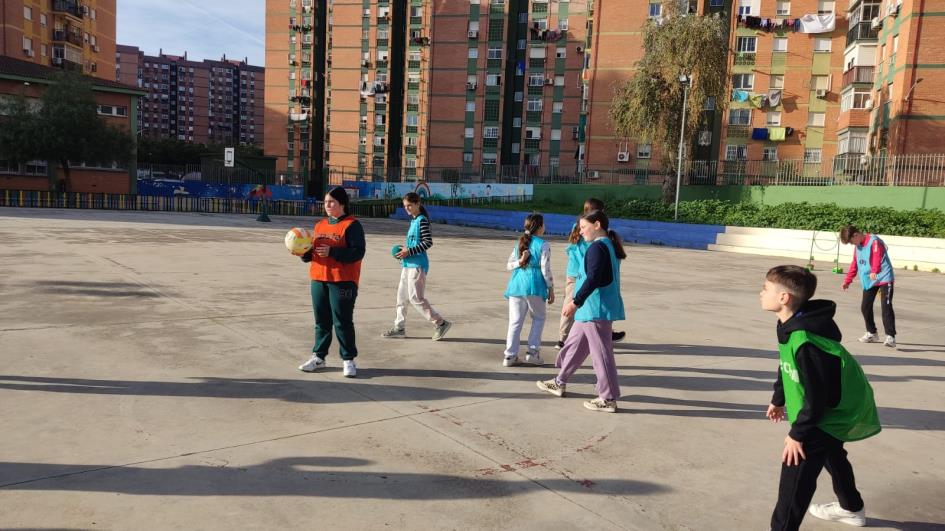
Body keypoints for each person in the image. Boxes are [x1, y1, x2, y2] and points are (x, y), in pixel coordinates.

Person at [760, 265, 881, 531]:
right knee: (832, 454)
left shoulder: (808, 342)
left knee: (794, 479)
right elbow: (786, 361)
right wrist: (778, 398)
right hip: (825, 411)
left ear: (784, 298)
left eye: (765, 289)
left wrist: (798, 434)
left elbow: (817, 398)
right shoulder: (790, 324)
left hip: (825, 413)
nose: (761, 293)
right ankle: (851, 508)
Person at [537, 210, 626, 413]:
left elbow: (593, 279)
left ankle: (608, 398)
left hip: (594, 309)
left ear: (597, 225)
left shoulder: (597, 247)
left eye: (584, 227)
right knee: (574, 346)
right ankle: (559, 381)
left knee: (601, 354)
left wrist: (574, 302)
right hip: (589, 310)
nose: (581, 231)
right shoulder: (607, 245)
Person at [298, 187, 366, 378]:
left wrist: (333, 252)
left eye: (331, 202)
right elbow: (314, 252)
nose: (327, 205)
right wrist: (303, 253)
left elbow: (358, 252)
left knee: (342, 321)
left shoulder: (352, 225)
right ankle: (319, 357)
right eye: (326, 201)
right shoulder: (320, 225)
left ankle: (348, 359)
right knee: (321, 321)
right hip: (319, 279)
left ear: (342, 203)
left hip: (342, 281)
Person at [382, 192, 452, 341]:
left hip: (418, 265)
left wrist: (409, 251)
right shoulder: (414, 221)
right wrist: (403, 252)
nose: (407, 208)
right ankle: (399, 328)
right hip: (408, 264)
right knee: (401, 298)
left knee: (416, 298)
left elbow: (428, 242)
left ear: (417, 204)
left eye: (409, 205)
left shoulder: (422, 221)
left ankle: (441, 323)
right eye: (405, 206)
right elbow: (414, 243)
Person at [557, 198, 626, 349]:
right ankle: (563, 338)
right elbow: (582, 254)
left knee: (582, 307)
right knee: (572, 304)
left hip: (582, 272)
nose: (582, 230)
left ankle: (603, 333)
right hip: (578, 273)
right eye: (602, 210)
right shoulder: (588, 232)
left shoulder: (593, 233)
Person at [503, 213, 554, 367]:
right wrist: (551, 288)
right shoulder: (543, 245)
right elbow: (545, 269)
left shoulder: (520, 242)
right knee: (538, 318)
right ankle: (532, 353)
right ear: (539, 227)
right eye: (543, 224)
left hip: (517, 285)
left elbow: (509, 265)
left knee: (515, 322)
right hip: (535, 285)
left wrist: (521, 261)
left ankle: (510, 356)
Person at [839, 225, 897, 348]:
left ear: (856, 235)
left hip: (884, 277)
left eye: (851, 242)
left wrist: (875, 271)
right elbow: (855, 263)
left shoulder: (874, 241)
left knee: (886, 306)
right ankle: (872, 333)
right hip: (870, 280)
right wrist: (847, 280)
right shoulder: (858, 247)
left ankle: (890, 336)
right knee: (865, 307)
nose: (852, 244)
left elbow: (877, 256)